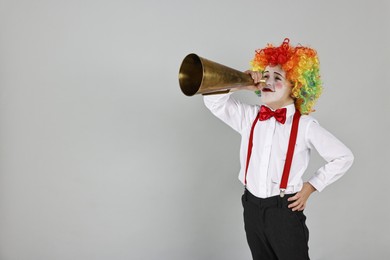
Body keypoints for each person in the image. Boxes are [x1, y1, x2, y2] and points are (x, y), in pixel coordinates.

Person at [203, 38, 354, 260]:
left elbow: (343, 156)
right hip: (251, 207)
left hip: (284, 212)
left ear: (296, 86)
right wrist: (241, 84)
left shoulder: (304, 126)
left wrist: (312, 186)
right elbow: (213, 102)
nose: (267, 81)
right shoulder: (250, 117)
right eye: (265, 75)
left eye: (278, 78)